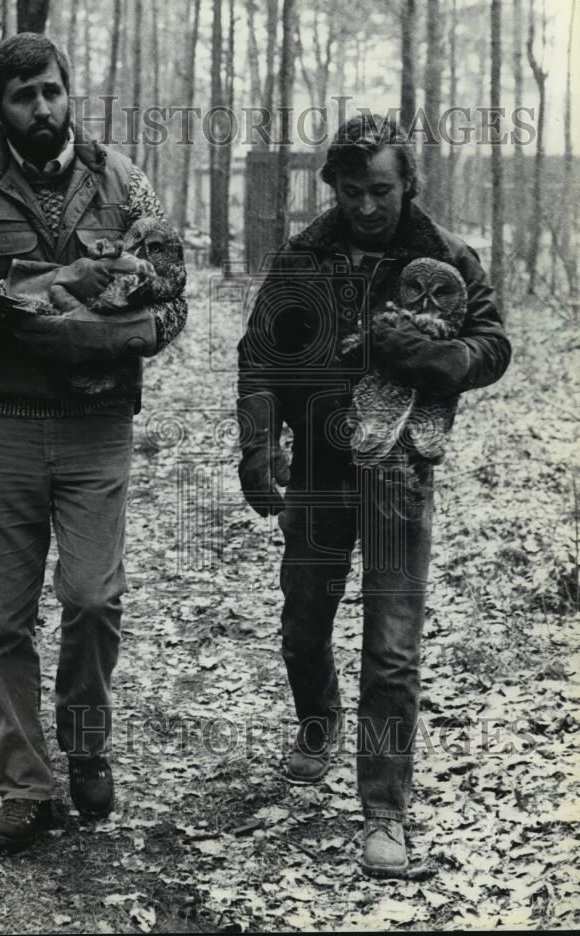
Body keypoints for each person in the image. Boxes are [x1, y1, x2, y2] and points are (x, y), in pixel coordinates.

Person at [0, 33, 187, 853]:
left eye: (51, 91)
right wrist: (63, 301)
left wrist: (105, 331)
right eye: (22, 97)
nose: (41, 108)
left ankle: (86, 744)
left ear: (70, 92)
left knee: (92, 599)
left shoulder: (124, 181)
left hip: (95, 424)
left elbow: (173, 297)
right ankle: (23, 785)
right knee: (5, 619)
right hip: (0, 424)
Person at [236, 115, 510, 877]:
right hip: (319, 470)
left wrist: (439, 356)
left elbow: (494, 343)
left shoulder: (444, 256)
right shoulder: (305, 257)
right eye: (351, 190)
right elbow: (258, 356)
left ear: (406, 184)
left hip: (398, 472)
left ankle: (384, 810)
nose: (365, 205)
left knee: (391, 647)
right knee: (302, 622)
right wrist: (258, 445)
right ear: (333, 187)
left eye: (380, 190)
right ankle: (317, 719)